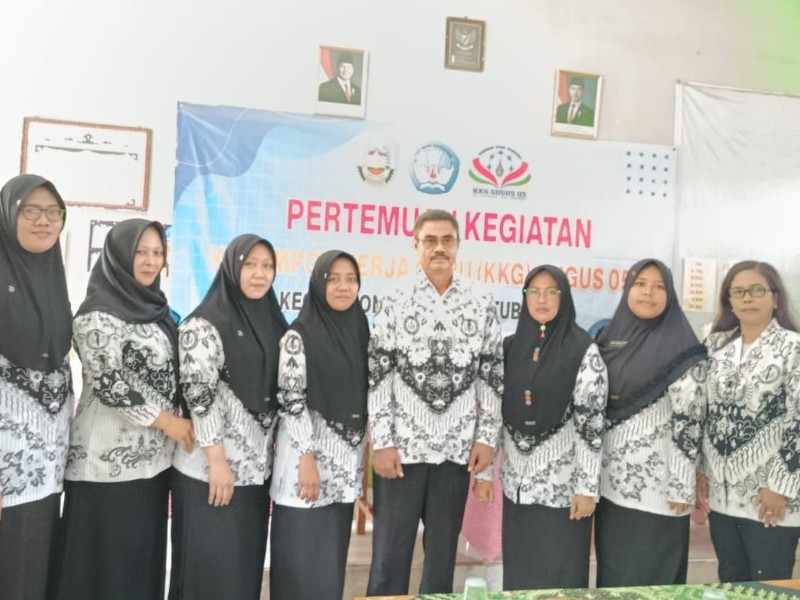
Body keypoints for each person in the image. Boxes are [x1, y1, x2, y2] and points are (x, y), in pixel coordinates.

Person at [52, 219, 193, 600]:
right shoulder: (96, 314)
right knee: (102, 570)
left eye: (157, 252)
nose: (150, 261)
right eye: (140, 252)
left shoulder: (159, 311)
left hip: (154, 466)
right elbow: (109, 382)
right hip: (103, 467)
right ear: (117, 256)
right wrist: (168, 423)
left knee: (137, 568)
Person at [366, 209, 503, 595]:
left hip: (455, 453)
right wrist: (382, 442)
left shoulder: (480, 300)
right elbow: (379, 375)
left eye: (447, 240)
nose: (439, 248)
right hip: (402, 452)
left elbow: (492, 376)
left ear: (458, 245)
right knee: (389, 555)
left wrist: (486, 439)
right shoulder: (395, 298)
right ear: (416, 245)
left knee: (442, 556)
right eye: (430, 240)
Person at [473, 265, 607, 590]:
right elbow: (492, 413)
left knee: (561, 581)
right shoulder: (509, 348)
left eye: (551, 292)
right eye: (534, 291)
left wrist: (586, 488)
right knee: (520, 578)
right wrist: (484, 475)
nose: (542, 299)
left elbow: (591, 425)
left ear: (564, 297)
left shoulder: (583, 350)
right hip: (517, 491)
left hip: (563, 493)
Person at [169, 234, 287, 599]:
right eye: (250, 264)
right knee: (204, 576)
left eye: (267, 266)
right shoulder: (203, 326)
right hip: (209, 473)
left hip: (254, 476)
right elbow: (200, 398)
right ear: (233, 268)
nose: (259, 274)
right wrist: (217, 461)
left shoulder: (275, 324)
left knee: (240, 577)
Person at [594, 258, 707, 587]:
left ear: (669, 295)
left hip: (659, 493)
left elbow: (690, 420)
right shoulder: (606, 339)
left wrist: (681, 485)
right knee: (614, 577)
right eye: (641, 284)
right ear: (628, 289)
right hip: (610, 489)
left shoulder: (683, 348)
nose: (648, 293)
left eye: (659, 287)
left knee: (654, 581)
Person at [270, 250, 369, 600]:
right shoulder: (298, 337)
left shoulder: (360, 331)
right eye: (334, 279)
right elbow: (292, 401)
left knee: (328, 570)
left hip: (343, 471)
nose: (343, 287)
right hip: (306, 468)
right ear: (318, 283)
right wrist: (306, 459)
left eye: (351, 280)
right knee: (300, 566)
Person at [698, 260, 800, 582]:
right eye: (738, 291)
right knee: (731, 581)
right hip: (722, 498)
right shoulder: (715, 347)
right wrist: (701, 470)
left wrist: (781, 486)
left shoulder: (792, 348)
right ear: (729, 301)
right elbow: (702, 413)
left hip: (770, 499)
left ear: (775, 298)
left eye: (757, 290)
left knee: (768, 586)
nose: (747, 298)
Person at [0, 174, 72, 600]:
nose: (43, 221)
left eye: (52, 212)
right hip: (4, 471)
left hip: (43, 474)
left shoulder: (53, 281)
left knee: (30, 578)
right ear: (9, 214)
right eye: (30, 210)